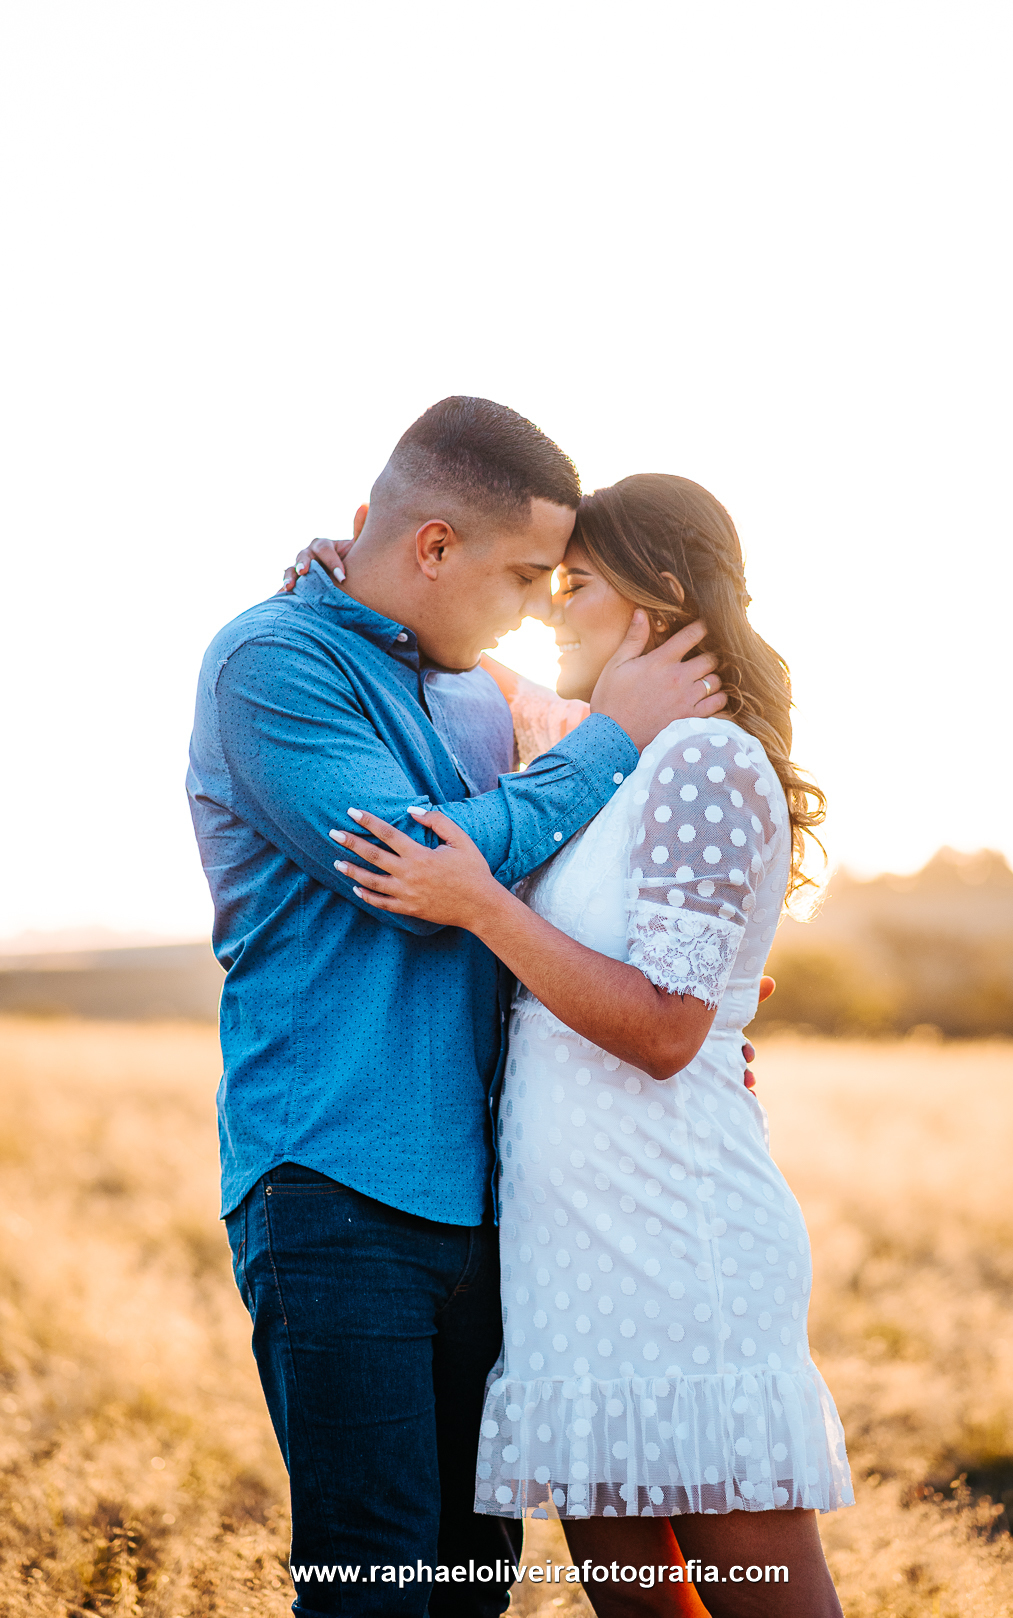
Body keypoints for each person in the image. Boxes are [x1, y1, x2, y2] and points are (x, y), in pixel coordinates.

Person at [187, 399, 731, 1618]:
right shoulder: (271, 664)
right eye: (527, 574)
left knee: (473, 1580)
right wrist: (613, 741)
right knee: (374, 1573)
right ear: (434, 547)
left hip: (490, 1206)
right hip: (332, 1183)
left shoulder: (492, 696)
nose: (542, 605)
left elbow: (564, 891)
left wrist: (703, 1041)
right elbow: (423, 877)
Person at [325, 474, 852, 1618]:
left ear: (658, 602)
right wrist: (353, 576)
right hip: (570, 1264)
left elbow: (667, 1029)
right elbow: (493, 671)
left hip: (673, 1242)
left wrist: (481, 903)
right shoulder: (610, 761)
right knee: (641, 1609)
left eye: (576, 587)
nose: (549, 610)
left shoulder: (708, 761)